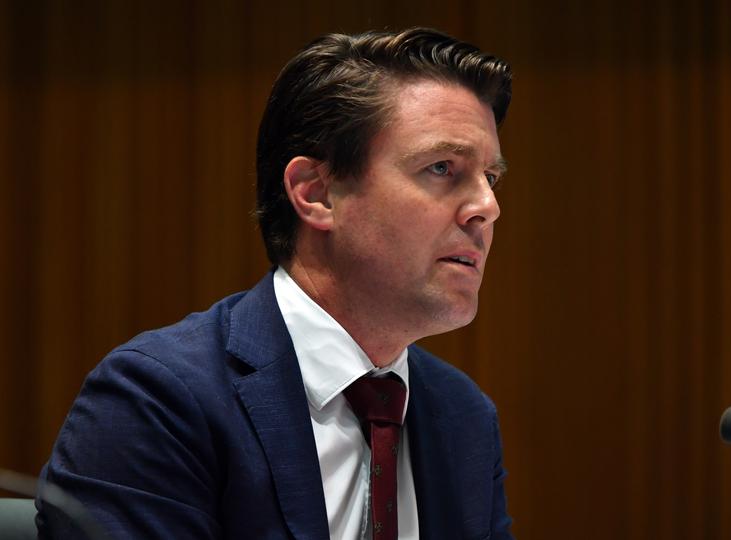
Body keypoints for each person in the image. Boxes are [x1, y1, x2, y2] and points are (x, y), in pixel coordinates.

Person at [37, 27, 514, 539]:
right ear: (315, 193)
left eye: (490, 178)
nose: (487, 208)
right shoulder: (159, 400)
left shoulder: (462, 416)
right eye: (442, 168)